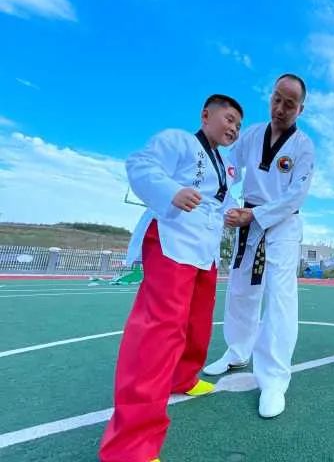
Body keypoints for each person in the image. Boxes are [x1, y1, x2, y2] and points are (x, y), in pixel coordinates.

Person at [99, 95, 243, 462]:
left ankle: (183, 377)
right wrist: (171, 192)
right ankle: (129, 448)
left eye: (238, 125)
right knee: (159, 332)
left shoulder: (226, 167)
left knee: (197, 324)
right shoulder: (177, 140)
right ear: (206, 115)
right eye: (229, 119)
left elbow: (220, 203)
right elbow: (140, 165)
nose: (233, 128)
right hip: (172, 239)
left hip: (205, 249)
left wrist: (234, 215)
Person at [203, 74, 314, 419]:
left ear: (300, 109)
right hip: (247, 221)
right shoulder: (252, 135)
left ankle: (274, 380)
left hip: (281, 224)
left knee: (280, 298)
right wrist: (223, 201)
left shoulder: (304, 147)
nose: (280, 108)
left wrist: (256, 215)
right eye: (276, 99)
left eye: (289, 104)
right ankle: (237, 352)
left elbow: (296, 195)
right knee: (240, 290)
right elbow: (229, 170)